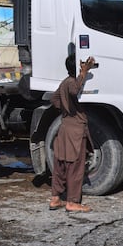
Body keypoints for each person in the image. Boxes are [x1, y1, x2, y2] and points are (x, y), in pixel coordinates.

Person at [49, 56, 95, 213]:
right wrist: (84, 72)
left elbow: (54, 99)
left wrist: (66, 109)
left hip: (64, 128)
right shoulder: (71, 83)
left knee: (60, 165)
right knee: (75, 166)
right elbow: (75, 90)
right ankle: (72, 202)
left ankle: (55, 198)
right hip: (75, 131)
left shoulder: (65, 81)